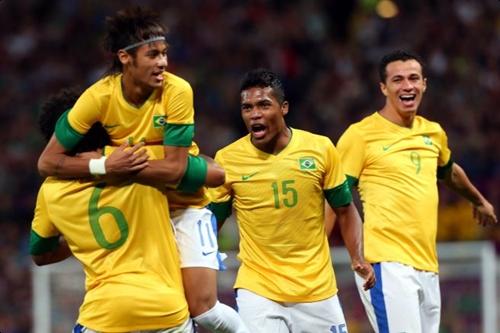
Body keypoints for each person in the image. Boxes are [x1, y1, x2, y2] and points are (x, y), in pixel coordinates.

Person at [36, 7, 247, 333]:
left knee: (203, 311)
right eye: (153, 55)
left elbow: (178, 170)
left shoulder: (177, 90)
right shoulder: (98, 97)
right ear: (125, 57)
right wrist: (104, 164)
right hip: (146, 206)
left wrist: (113, 163)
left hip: (186, 204)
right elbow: (47, 162)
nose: (163, 62)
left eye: (164, 53)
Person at [336, 49, 498, 333]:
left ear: (424, 84)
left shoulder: (433, 133)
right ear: (383, 88)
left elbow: (448, 171)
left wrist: (479, 200)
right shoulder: (360, 135)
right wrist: (321, 252)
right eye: (397, 80)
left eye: (413, 78)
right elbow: (334, 194)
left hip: (426, 264)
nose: (407, 85)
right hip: (386, 265)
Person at [208, 69, 375, 333]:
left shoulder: (320, 149)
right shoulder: (228, 159)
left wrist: (358, 257)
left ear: (284, 107)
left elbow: (345, 209)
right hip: (259, 289)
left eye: (264, 105)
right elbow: (211, 222)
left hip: (317, 288)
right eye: (247, 107)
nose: (255, 114)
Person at [30, 88, 194, 332]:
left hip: (103, 316)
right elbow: (211, 173)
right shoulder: (139, 158)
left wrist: (80, 241)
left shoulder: (50, 191)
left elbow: (40, 254)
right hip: (165, 310)